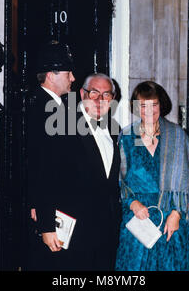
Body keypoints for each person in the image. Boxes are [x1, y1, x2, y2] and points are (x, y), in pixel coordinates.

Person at [115, 81, 189, 271]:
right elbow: (119, 180)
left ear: (161, 105)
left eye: (154, 104)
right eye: (143, 105)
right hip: (138, 222)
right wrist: (132, 203)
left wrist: (177, 212)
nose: (149, 110)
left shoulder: (176, 136)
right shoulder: (127, 137)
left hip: (172, 224)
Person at [27, 67, 122, 270]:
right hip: (72, 232)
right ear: (82, 94)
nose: (99, 100)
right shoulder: (63, 124)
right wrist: (46, 226)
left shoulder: (116, 131)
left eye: (106, 95)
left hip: (107, 231)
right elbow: (44, 174)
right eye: (93, 93)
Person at [25, 40, 76, 270]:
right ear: (52, 74)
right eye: (68, 72)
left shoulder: (53, 106)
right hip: (52, 220)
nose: (73, 78)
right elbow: (40, 169)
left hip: (58, 212)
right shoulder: (44, 109)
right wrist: (47, 226)